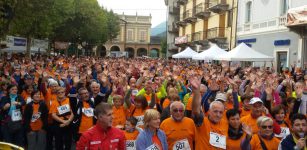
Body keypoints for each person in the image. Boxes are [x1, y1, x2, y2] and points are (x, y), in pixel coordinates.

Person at [190, 77, 228, 150]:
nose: (218, 114)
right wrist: (196, 92)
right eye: (215, 111)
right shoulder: (201, 122)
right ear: (209, 112)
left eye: (220, 112)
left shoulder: (225, 123)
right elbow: (196, 110)